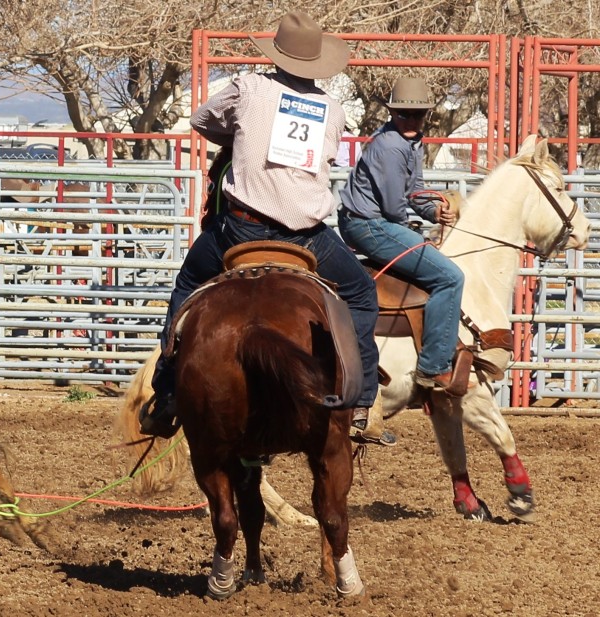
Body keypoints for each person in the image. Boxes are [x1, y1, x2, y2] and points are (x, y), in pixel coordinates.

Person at [139, 11, 392, 446]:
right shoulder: (332, 110)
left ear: (277, 54)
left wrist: (240, 139)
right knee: (361, 294)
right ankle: (362, 399)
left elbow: (201, 121)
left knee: (188, 284)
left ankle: (165, 394)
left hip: (240, 228)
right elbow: (325, 158)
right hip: (306, 234)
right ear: (316, 62)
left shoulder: (248, 87)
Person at [337, 76, 464, 395]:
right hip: (370, 224)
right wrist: (416, 229)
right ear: (392, 114)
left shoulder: (412, 141)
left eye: (416, 114)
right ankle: (434, 367)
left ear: (425, 116)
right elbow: (395, 208)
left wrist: (435, 212)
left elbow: (416, 189)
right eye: (403, 114)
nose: (410, 120)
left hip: (372, 222)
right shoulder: (391, 146)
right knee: (450, 277)